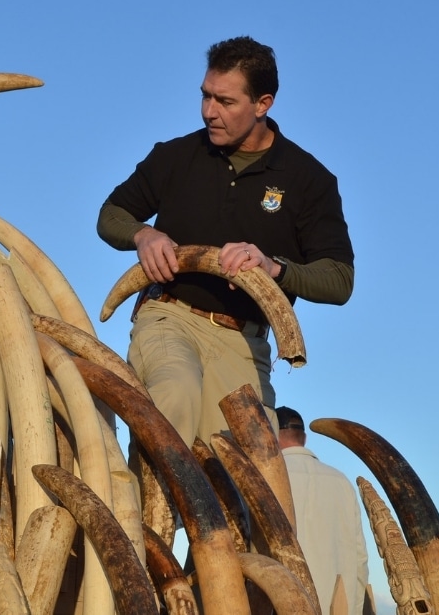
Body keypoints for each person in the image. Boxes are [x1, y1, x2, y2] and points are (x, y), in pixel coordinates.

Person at [97, 35, 354, 446]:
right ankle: (152, 513)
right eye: (205, 96)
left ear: (263, 104)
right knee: (174, 396)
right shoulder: (174, 156)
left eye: (225, 102)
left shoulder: (310, 180)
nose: (208, 112)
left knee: (253, 455)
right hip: (169, 317)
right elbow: (110, 214)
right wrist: (142, 234)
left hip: (244, 342)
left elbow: (339, 279)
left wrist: (273, 268)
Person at [277, 406, 369, 615]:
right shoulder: (341, 481)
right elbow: (360, 558)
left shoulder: (262, 478)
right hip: (336, 607)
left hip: (280, 605)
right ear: (304, 438)